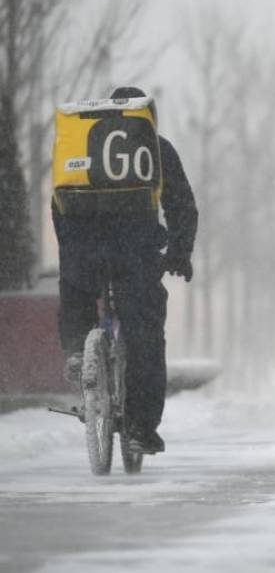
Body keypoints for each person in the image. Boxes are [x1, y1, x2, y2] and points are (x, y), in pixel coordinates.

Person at [54, 86, 198, 454]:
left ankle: (77, 349)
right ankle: (139, 427)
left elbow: (58, 202)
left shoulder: (79, 145)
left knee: (75, 289)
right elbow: (181, 205)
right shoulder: (156, 148)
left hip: (84, 251)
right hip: (135, 254)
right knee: (145, 334)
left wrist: (70, 246)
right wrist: (179, 254)